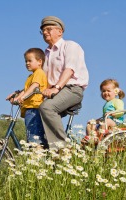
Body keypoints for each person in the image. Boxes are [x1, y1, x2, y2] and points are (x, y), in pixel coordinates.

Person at [38, 16, 89, 149]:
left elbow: (70, 69)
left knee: (47, 107)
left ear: (60, 31)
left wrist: (57, 87)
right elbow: (40, 78)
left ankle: (63, 150)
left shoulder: (70, 46)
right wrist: (21, 93)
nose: (45, 32)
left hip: (72, 89)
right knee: (35, 112)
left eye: (48, 29)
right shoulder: (46, 53)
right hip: (55, 91)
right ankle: (42, 151)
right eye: (42, 30)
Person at [6, 48, 48, 148]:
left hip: (35, 109)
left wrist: (23, 97)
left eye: (30, 60)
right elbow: (26, 90)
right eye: (26, 61)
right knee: (31, 136)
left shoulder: (39, 73)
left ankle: (38, 158)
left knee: (34, 137)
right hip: (29, 109)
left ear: (39, 62)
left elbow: (34, 87)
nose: (27, 63)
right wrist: (16, 98)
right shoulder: (31, 76)